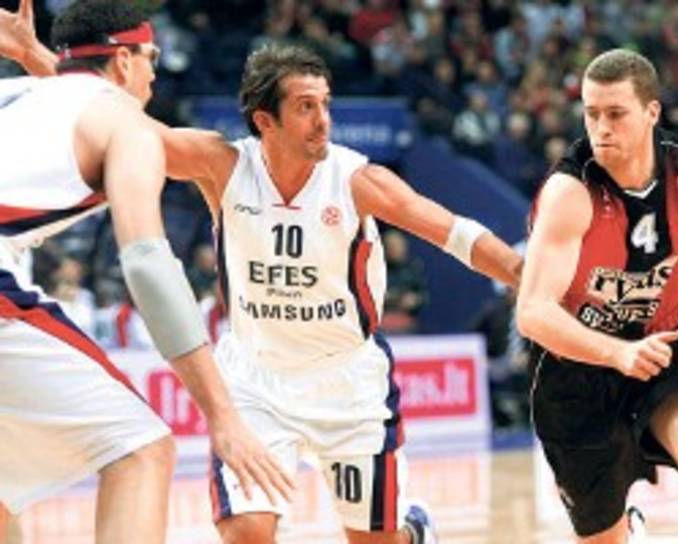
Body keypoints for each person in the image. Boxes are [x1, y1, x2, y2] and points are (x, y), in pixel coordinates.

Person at [3, 14, 523, 544]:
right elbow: (114, 121)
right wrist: (40, 58)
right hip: (256, 381)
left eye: (325, 105)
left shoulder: (358, 180)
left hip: (348, 384)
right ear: (265, 121)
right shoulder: (223, 166)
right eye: (305, 107)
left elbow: (454, 232)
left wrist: (520, 272)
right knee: (246, 532)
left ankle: (413, 531)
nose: (323, 121)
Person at [0, 1, 292, 543]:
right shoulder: (124, 125)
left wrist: (30, 53)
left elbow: (82, 101)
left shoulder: (19, 94)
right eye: (151, 57)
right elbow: (147, 265)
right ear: (123, 59)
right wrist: (222, 417)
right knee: (140, 449)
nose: (156, 73)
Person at [516, 49, 678, 543]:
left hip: (668, 347)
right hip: (576, 369)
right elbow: (533, 312)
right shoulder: (571, 191)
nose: (601, 128)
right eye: (591, 114)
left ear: (652, 112)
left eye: (615, 114)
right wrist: (617, 353)